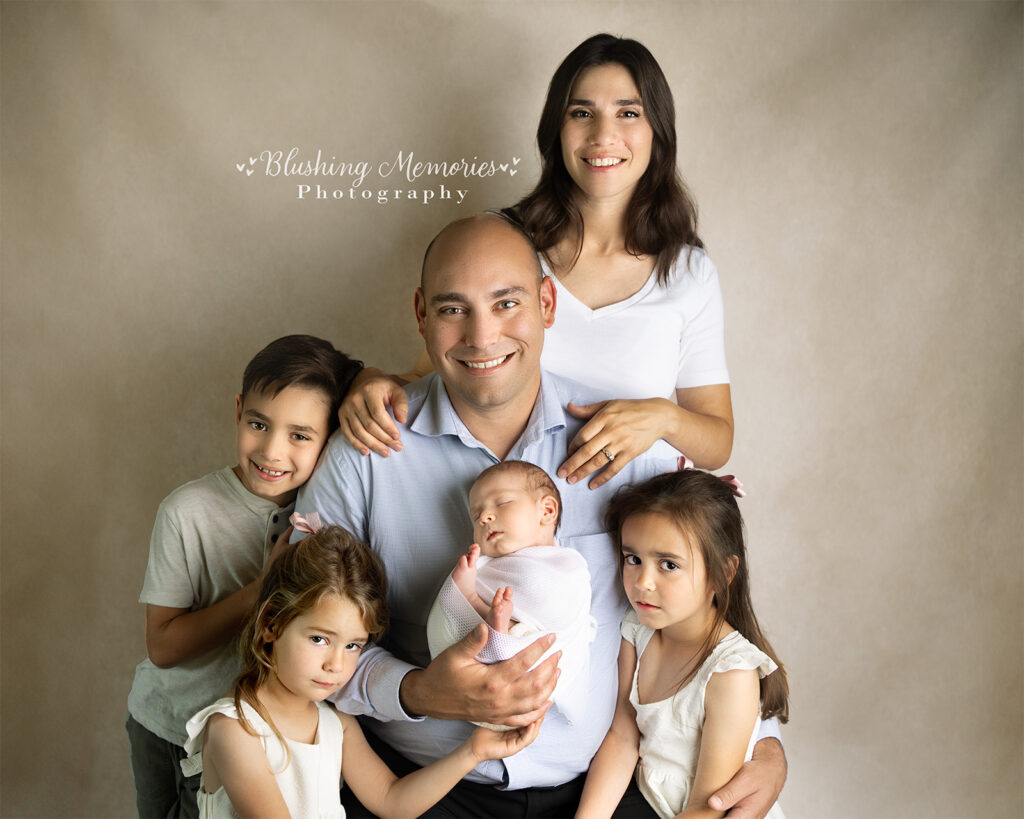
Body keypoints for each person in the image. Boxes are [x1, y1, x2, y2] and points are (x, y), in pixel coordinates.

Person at [296, 214, 785, 817]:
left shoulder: (625, 446)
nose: (482, 335)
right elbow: (292, 635)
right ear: (421, 314)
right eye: (453, 309)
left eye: (507, 303)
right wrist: (420, 692)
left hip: (601, 787)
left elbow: (703, 612)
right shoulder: (364, 455)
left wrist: (763, 744)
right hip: (422, 787)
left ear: (547, 302)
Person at [339, 33, 733, 490]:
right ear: (556, 130)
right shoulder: (501, 245)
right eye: (581, 113)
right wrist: (365, 381)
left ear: (658, 132)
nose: (603, 136)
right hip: (494, 515)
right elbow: (428, 374)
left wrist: (662, 417)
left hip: (623, 533)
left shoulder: (690, 274)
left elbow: (717, 441)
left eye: (628, 113)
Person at [125, 335, 362, 818]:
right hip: (166, 726)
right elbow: (163, 647)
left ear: (331, 435)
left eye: (300, 435)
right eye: (259, 424)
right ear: (238, 411)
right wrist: (261, 590)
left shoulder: (329, 518)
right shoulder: (186, 512)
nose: (272, 451)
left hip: (251, 737)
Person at [180, 525, 542, 818]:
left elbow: (391, 800)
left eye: (353, 645)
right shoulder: (235, 729)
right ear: (272, 624)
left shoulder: (336, 723)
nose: (336, 664)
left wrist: (473, 752)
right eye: (320, 639)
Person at [576, 470, 788, 819]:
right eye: (633, 559)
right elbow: (623, 736)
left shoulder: (730, 672)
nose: (643, 582)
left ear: (723, 573)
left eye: (669, 565)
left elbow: (708, 808)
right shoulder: (637, 630)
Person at [426, 460, 596, 728]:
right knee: (476, 603)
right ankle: (496, 628)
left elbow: (565, 607)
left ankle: (501, 632)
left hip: (536, 682)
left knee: (536, 607)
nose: (484, 518)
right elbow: (445, 617)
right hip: (467, 684)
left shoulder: (568, 566)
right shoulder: (484, 568)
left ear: (547, 510)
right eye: (476, 516)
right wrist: (465, 592)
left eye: (501, 503)